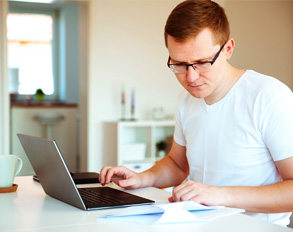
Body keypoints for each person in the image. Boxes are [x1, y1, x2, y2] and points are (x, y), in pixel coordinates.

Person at [100, 0, 293, 226]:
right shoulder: (186, 100)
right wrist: (142, 178)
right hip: (196, 224)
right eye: (180, 64)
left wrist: (222, 196)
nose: (191, 78)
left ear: (228, 49)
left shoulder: (269, 96)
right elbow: (178, 164)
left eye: (202, 62)